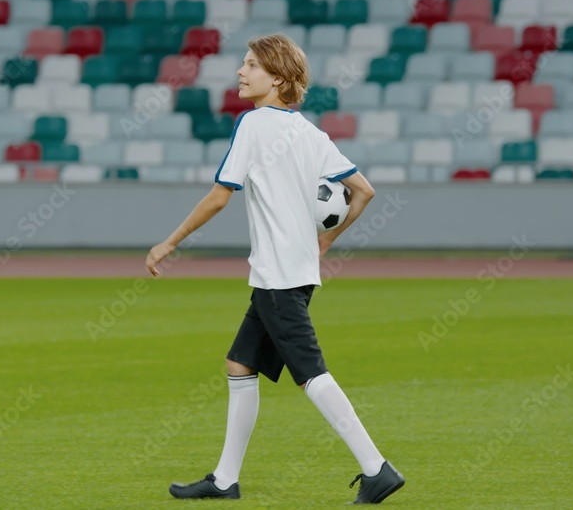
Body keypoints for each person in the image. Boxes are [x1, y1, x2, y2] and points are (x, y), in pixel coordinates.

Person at [145, 33, 404, 504]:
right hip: (291, 272)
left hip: (278, 275)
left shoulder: (253, 124)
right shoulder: (311, 133)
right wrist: (325, 239)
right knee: (239, 364)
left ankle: (376, 467)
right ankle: (225, 480)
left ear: (278, 78)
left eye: (250, 65)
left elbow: (220, 195)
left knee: (311, 373)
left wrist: (170, 242)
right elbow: (364, 191)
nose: (241, 72)